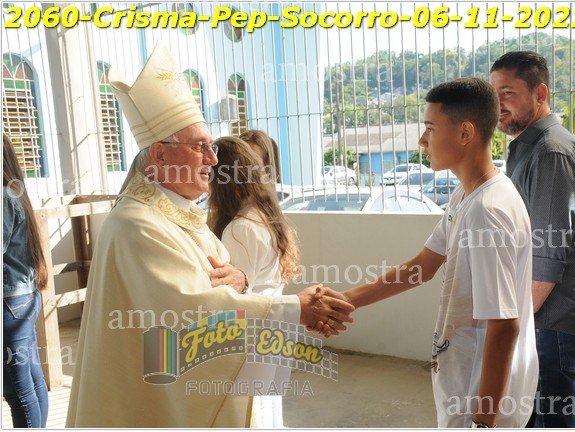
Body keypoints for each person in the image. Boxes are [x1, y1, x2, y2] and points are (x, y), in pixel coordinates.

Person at [66, 41, 354, 428]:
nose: (213, 159)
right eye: (200, 147)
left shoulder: (179, 214)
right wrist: (294, 309)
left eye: (211, 147)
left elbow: (212, 283)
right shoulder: (137, 223)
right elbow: (190, 314)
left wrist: (242, 281)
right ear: (160, 155)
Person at [312, 78, 538, 428]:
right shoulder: (467, 195)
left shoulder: (487, 212)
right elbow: (423, 265)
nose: (422, 140)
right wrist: (343, 301)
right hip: (463, 385)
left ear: (465, 133)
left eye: (430, 129)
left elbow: (505, 325)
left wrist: (483, 422)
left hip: (479, 402)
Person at [489, 51, 575, 428]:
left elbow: (547, 260)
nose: (497, 104)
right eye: (493, 95)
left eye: (507, 93)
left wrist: (512, 323)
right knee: (534, 416)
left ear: (540, 94)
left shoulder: (551, 152)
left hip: (549, 321)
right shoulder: (529, 148)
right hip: (539, 316)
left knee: (551, 419)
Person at [208, 136, 299, 427]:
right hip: (275, 333)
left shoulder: (239, 229)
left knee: (249, 414)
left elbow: (233, 303)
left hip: (251, 340)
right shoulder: (266, 217)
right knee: (266, 410)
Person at [3, 133, 49, 428]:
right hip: (22, 297)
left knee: (17, 391)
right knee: (32, 381)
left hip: (9, 303)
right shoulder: (14, 190)